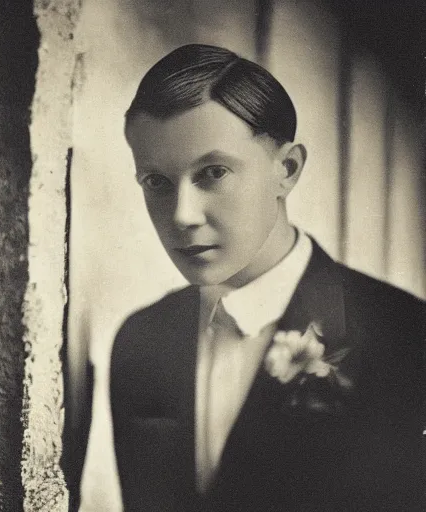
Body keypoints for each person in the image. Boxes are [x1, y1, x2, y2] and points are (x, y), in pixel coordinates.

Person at [108, 44, 425, 511]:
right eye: (156, 181)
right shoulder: (141, 341)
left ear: (287, 169)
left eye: (213, 172)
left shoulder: (407, 338)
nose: (182, 215)